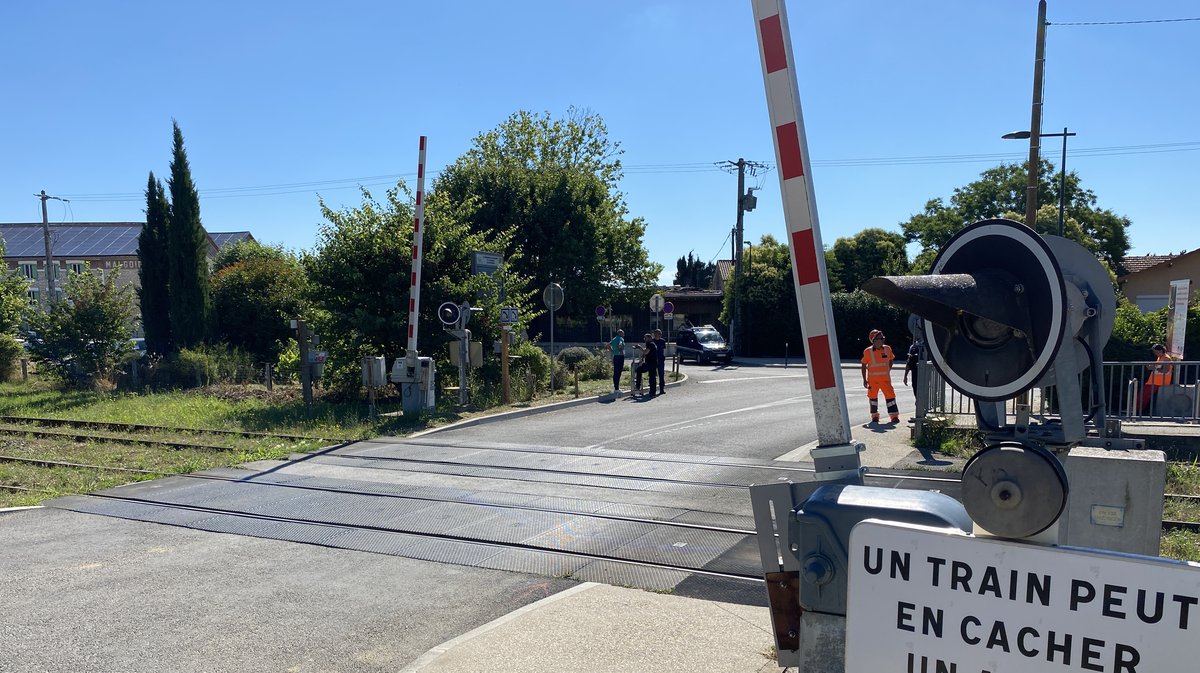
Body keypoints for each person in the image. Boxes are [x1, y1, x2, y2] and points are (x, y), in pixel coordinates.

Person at [861, 329, 900, 423]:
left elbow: (891, 360)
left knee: (890, 398)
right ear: (873, 340)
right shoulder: (867, 351)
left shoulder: (887, 348)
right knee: (873, 398)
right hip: (872, 381)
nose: (882, 340)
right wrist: (864, 380)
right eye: (880, 338)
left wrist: (888, 370)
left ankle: (894, 416)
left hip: (885, 380)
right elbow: (863, 365)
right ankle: (875, 416)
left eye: (883, 338)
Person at [1139, 343, 1180, 415]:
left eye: (1156, 352)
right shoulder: (1161, 357)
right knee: (1144, 396)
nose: (1155, 354)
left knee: (1143, 396)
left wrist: (1154, 368)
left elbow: (1166, 370)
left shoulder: (1166, 358)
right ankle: (1137, 409)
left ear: (1161, 350)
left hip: (1159, 381)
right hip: (1155, 381)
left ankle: (1136, 409)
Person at [633, 332, 658, 397]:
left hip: (650, 363)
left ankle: (638, 386)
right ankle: (652, 392)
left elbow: (645, 352)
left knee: (639, 370)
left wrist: (640, 347)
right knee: (652, 378)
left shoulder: (650, 344)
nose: (644, 339)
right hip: (652, 363)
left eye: (645, 338)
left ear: (649, 338)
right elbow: (646, 352)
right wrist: (642, 358)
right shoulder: (651, 344)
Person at [902, 337, 923, 407]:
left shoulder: (926, 346)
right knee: (915, 387)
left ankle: (922, 406)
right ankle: (919, 404)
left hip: (924, 373)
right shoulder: (913, 347)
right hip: (915, 373)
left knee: (924, 389)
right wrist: (905, 376)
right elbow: (909, 362)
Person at [609, 329, 625, 393]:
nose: (624, 335)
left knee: (616, 372)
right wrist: (620, 351)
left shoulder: (614, 338)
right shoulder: (621, 339)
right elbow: (620, 345)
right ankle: (617, 389)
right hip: (620, 356)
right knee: (619, 372)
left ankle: (616, 387)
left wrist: (613, 351)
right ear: (620, 334)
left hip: (615, 356)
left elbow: (608, 345)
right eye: (623, 333)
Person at [653, 328, 667, 395]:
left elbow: (664, 350)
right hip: (653, 360)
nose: (659, 335)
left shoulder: (662, 341)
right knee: (653, 375)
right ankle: (653, 389)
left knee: (661, 374)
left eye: (660, 334)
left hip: (661, 360)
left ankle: (662, 389)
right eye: (657, 334)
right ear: (654, 334)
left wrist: (664, 356)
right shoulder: (652, 341)